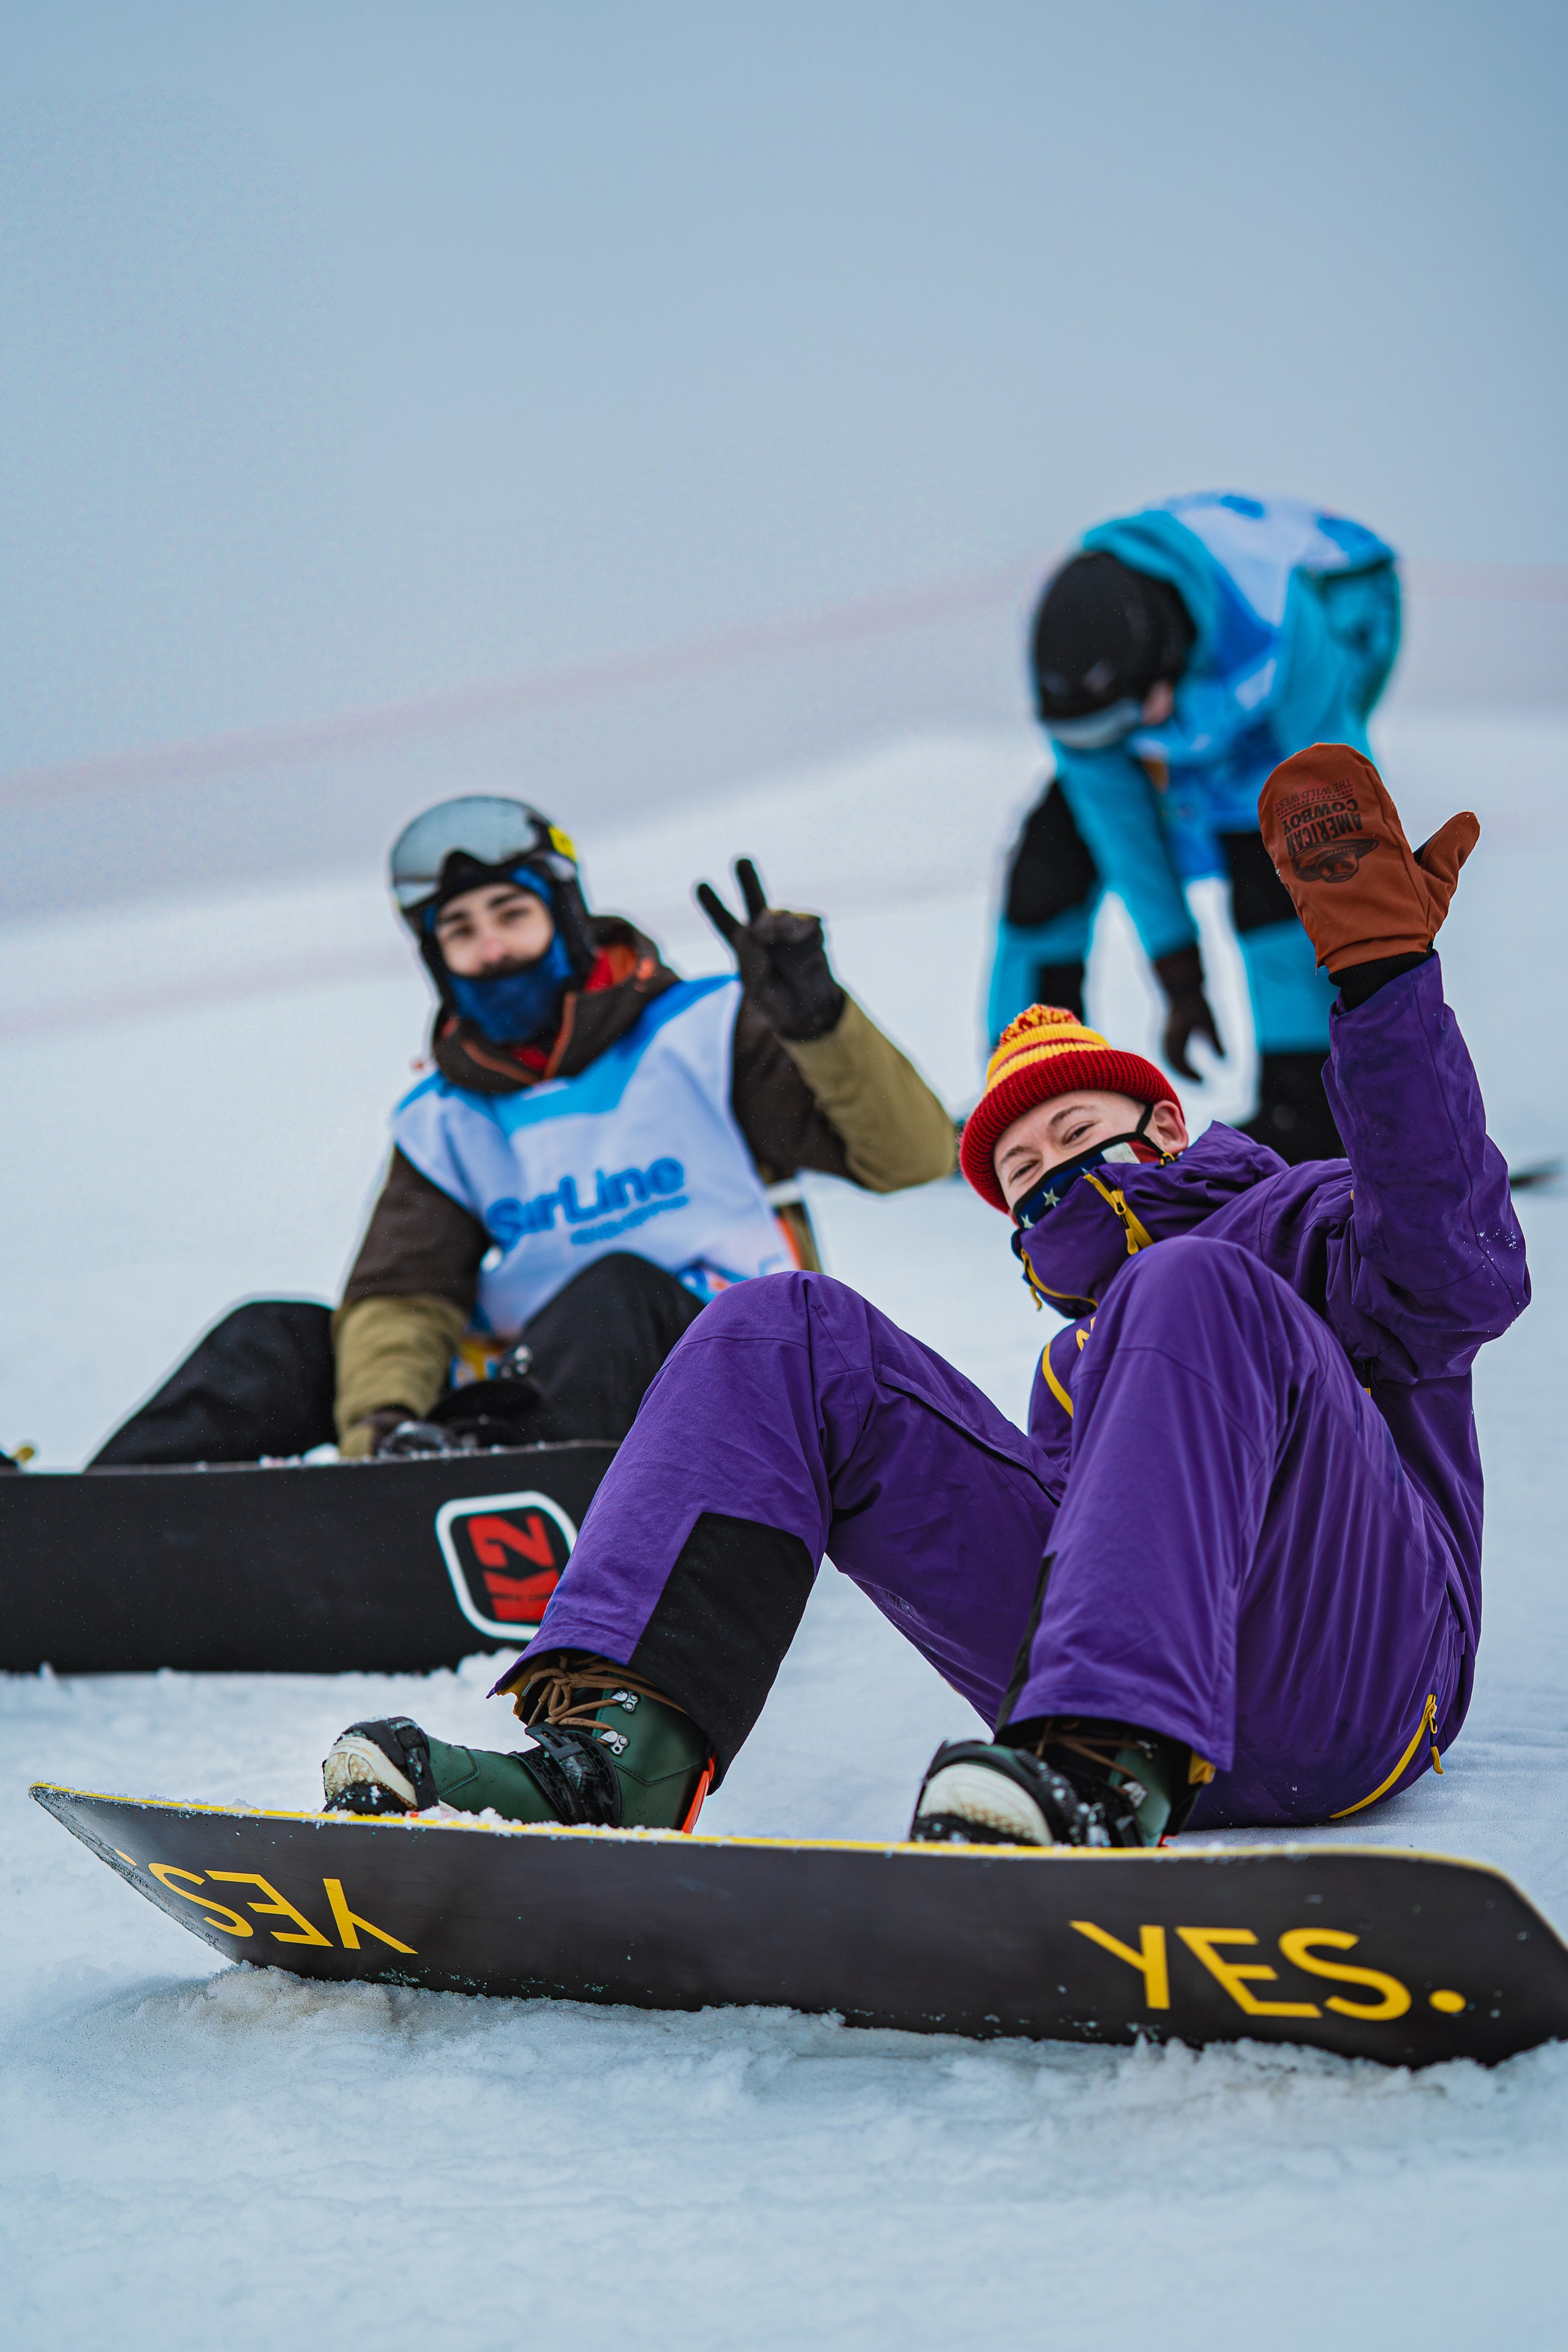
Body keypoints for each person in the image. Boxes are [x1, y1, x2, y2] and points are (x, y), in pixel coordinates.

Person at [322, 745, 1526, 1852]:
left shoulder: (1304, 1227)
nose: (1049, 1172)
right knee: (780, 1321)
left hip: (1361, 1676)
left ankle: (1102, 1759)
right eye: (1019, 1174)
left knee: (1186, 1279)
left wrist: (1383, 987)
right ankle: (615, 1761)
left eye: (1072, 1130)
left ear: (1161, 1124)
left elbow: (1457, 1268)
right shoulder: (1079, 1371)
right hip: (1110, 1702)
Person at [88, 799, 955, 1468]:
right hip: (522, 1393)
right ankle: (83, 1535)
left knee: (612, 1287)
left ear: (565, 918)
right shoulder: (448, 1117)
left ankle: (497, 1492)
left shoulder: (704, 1032)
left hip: (732, 1374)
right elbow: (403, 1296)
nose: (491, 946)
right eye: (459, 931)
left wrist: (820, 1026)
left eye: (511, 913)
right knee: (273, 1338)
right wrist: (384, 1433)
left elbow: (909, 1159)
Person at [989, 491, 1401, 1161]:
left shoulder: (1277, 621)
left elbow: (1336, 789)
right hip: (1196, 688)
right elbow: (1117, 822)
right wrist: (1179, 975)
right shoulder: (1076, 669)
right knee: (1051, 859)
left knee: (1273, 847)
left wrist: (1375, 968)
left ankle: (1307, 1101)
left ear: (1167, 667)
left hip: (1346, 618)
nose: (1116, 741)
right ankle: (1028, 1096)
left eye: (1128, 724)